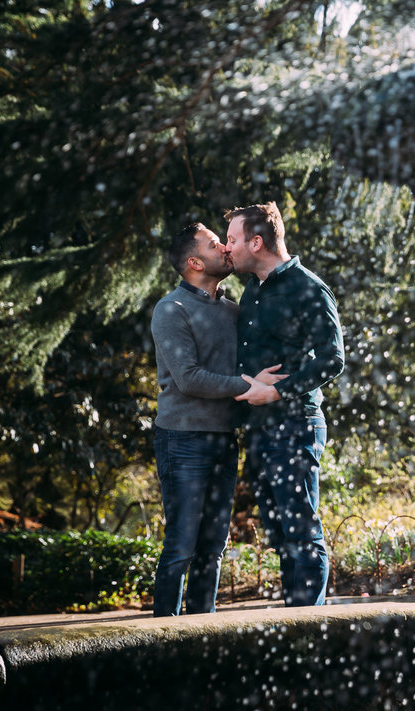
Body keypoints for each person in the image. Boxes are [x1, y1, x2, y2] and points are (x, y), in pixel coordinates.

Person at [150, 222, 284, 617]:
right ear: (194, 262)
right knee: (181, 544)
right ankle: (162, 640)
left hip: (224, 439)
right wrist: (248, 385)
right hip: (182, 438)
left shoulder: (232, 309)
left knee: (214, 545)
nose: (226, 248)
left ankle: (200, 635)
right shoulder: (170, 309)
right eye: (215, 244)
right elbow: (187, 377)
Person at [224, 201, 345, 607]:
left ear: (257, 242)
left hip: (296, 426)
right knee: (279, 535)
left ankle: (309, 633)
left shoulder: (309, 288)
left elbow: (333, 358)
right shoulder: (251, 289)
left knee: (302, 532)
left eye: (233, 240)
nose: (228, 248)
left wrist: (276, 391)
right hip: (260, 429)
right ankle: (297, 622)